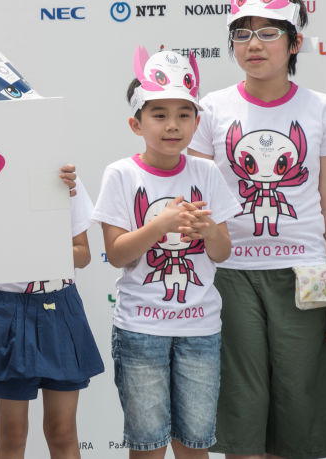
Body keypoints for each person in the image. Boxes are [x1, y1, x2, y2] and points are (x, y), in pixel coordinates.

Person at [187, 0, 326, 459]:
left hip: (307, 274)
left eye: (268, 32)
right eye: (242, 33)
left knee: (299, 413)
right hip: (230, 274)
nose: (253, 44)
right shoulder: (210, 110)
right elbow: (194, 200)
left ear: (295, 42)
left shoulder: (322, 109)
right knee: (242, 413)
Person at [92, 46, 239, 459]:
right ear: (136, 123)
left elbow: (222, 252)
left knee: (195, 444)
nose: (173, 126)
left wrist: (209, 231)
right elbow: (117, 254)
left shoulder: (206, 172)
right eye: (159, 115)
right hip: (141, 330)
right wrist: (160, 226)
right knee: (148, 444)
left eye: (184, 115)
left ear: (196, 122)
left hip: (200, 329)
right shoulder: (121, 174)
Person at [0, 87, 104, 459]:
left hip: (60, 307)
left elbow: (83, 254)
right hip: (8, 310)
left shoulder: (63, 178)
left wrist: (35, 248)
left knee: (62, 433)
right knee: (12, 435)